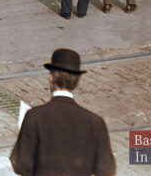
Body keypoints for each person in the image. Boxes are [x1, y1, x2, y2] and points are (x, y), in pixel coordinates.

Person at [10, 48, 115, 176]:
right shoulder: (95, 122)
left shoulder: (35, 116)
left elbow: (21, 164)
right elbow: (106, 170)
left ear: (51, 78)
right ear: (76, 81)